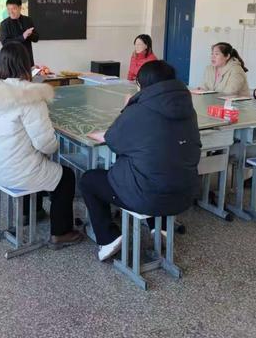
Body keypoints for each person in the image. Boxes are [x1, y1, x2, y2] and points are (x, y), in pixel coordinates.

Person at [80, 60, 201, 261]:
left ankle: (108, 237)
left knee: (89, 180)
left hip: (147, 195)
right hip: (186, 193)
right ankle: (159, 228)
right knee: (158, 166)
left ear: (143, 84)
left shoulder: (139, 110)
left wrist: (127, 108)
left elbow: (114, 141)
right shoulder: (188, 109)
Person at [0, 42, 82, 248]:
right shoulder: (30, 96)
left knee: (36, 164)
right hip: (15, 170)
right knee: (66, 176)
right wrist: (54, 144)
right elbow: (46, 144)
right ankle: (60, 233)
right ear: (26, 65)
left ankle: (33, 212)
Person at [0, 0, 39, 67]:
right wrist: (23, 37)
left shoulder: (28, 20)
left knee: (30, 78)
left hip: (27, 60)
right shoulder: (4, 24)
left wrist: (30, 34)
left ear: (20, 8)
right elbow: (5, 43)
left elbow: (36, 39)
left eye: (13, 9)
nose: (10, 12)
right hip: (12, 61)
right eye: (8, 9)